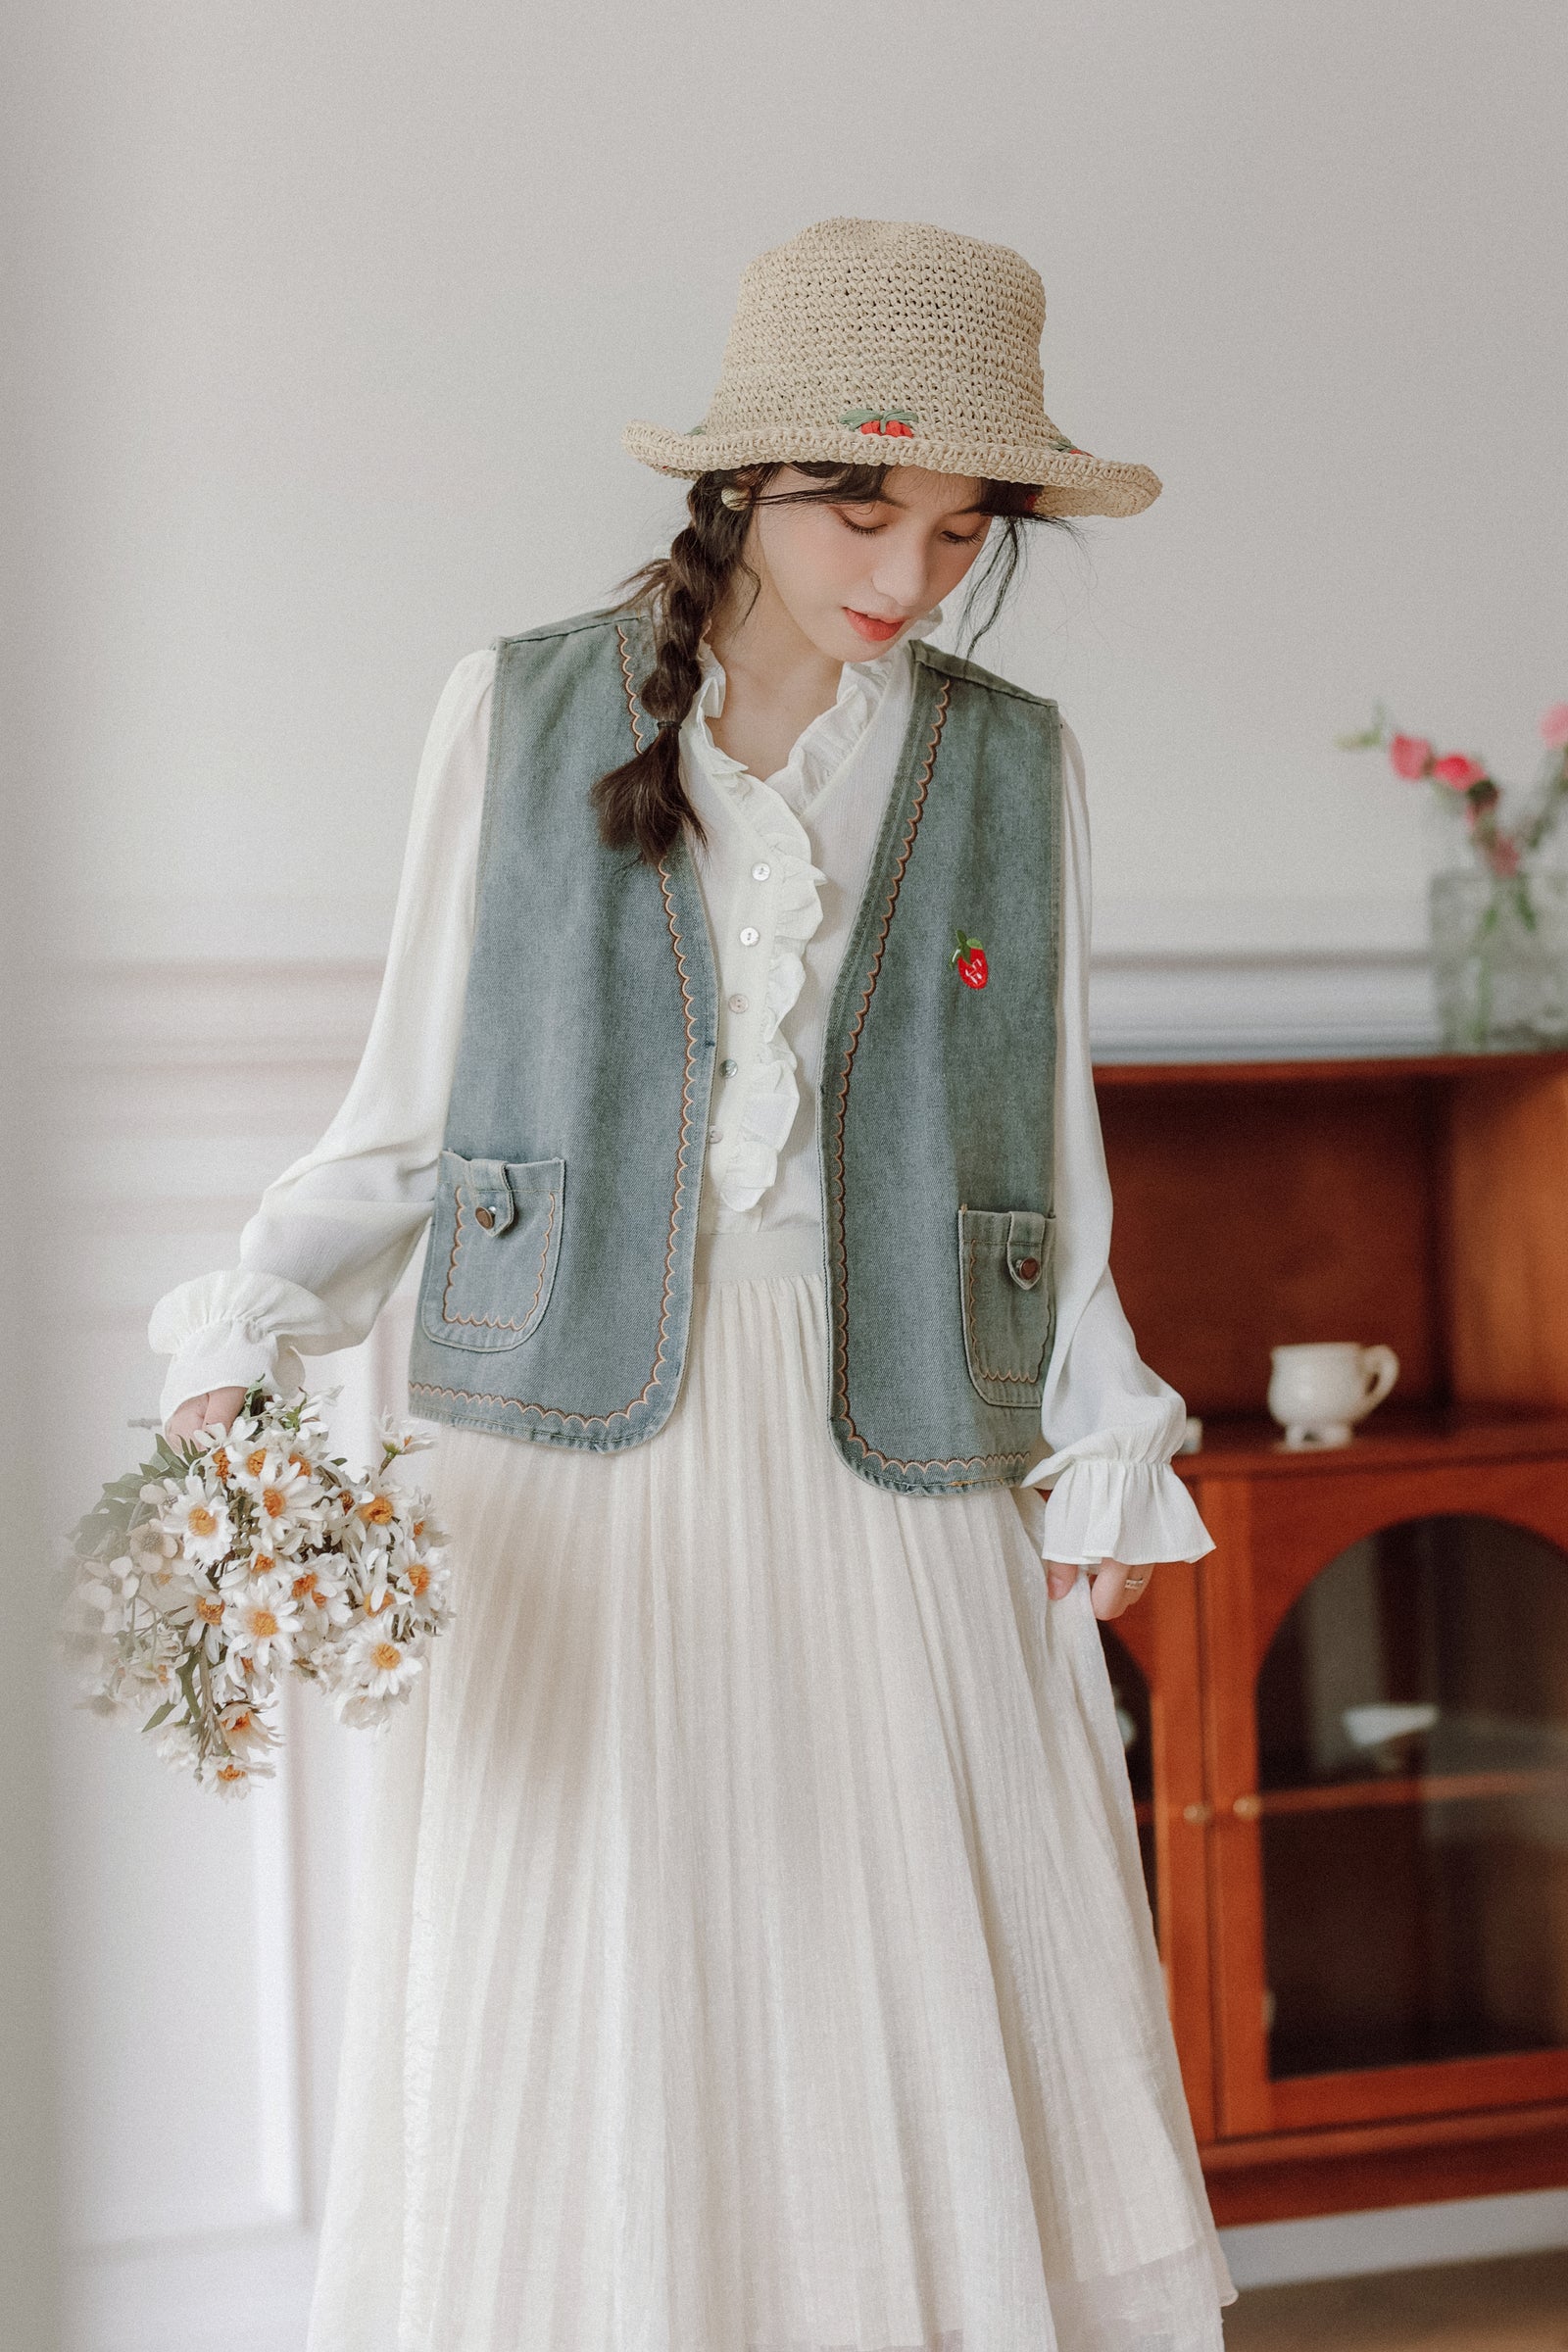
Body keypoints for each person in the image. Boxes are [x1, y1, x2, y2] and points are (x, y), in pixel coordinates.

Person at [150, 217, 1237, 2351]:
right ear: (741, 480)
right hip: (564, 1441)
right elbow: (408, 1107)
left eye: (953, 527)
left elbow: (1046, 1167)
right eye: (862, 505)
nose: (906, 575)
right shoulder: (520, 705)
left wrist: (1099, 1439)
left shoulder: (1010, 762)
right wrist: (246, 1333)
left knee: (890, 1969)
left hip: (889, 1438)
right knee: (595, 1972)